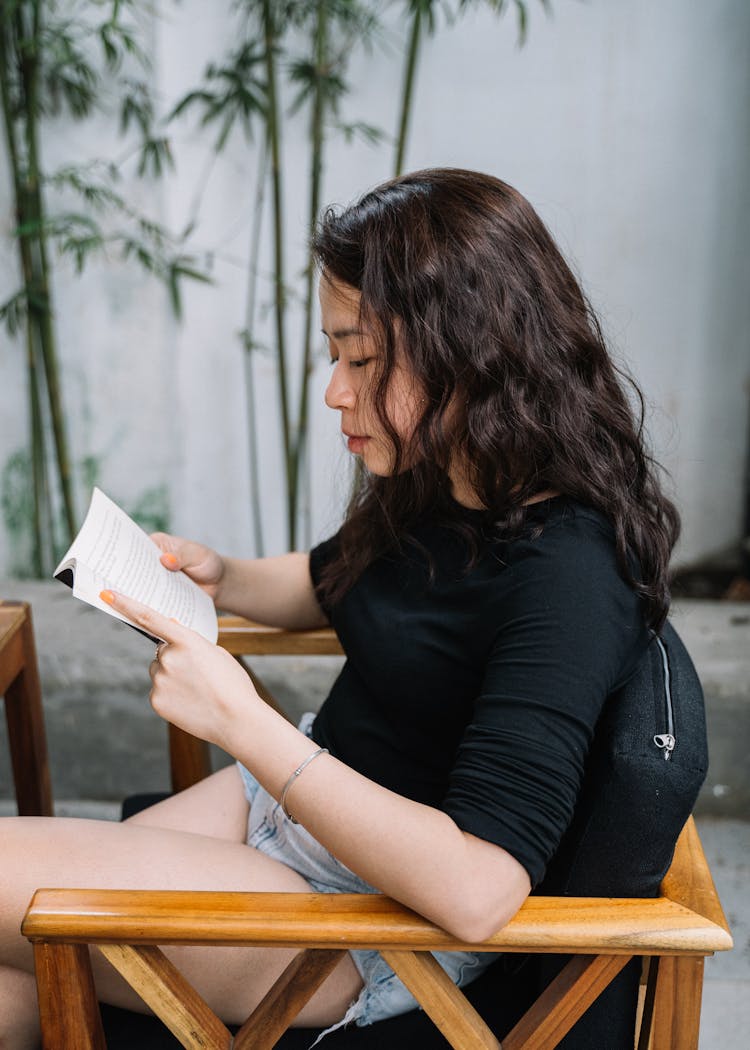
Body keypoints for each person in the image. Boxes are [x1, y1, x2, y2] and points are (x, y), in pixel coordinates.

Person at [0, 168, 682, 1048]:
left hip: (374, 917)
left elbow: (479, 891)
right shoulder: (450, 477)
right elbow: (336, 581)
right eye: (335, 354)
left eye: (361, 358)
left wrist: (242, 721)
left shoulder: (571, 576)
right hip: (290, 805)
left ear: (471, 351)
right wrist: (226, 576)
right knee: (13, 991)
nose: (334, 390)